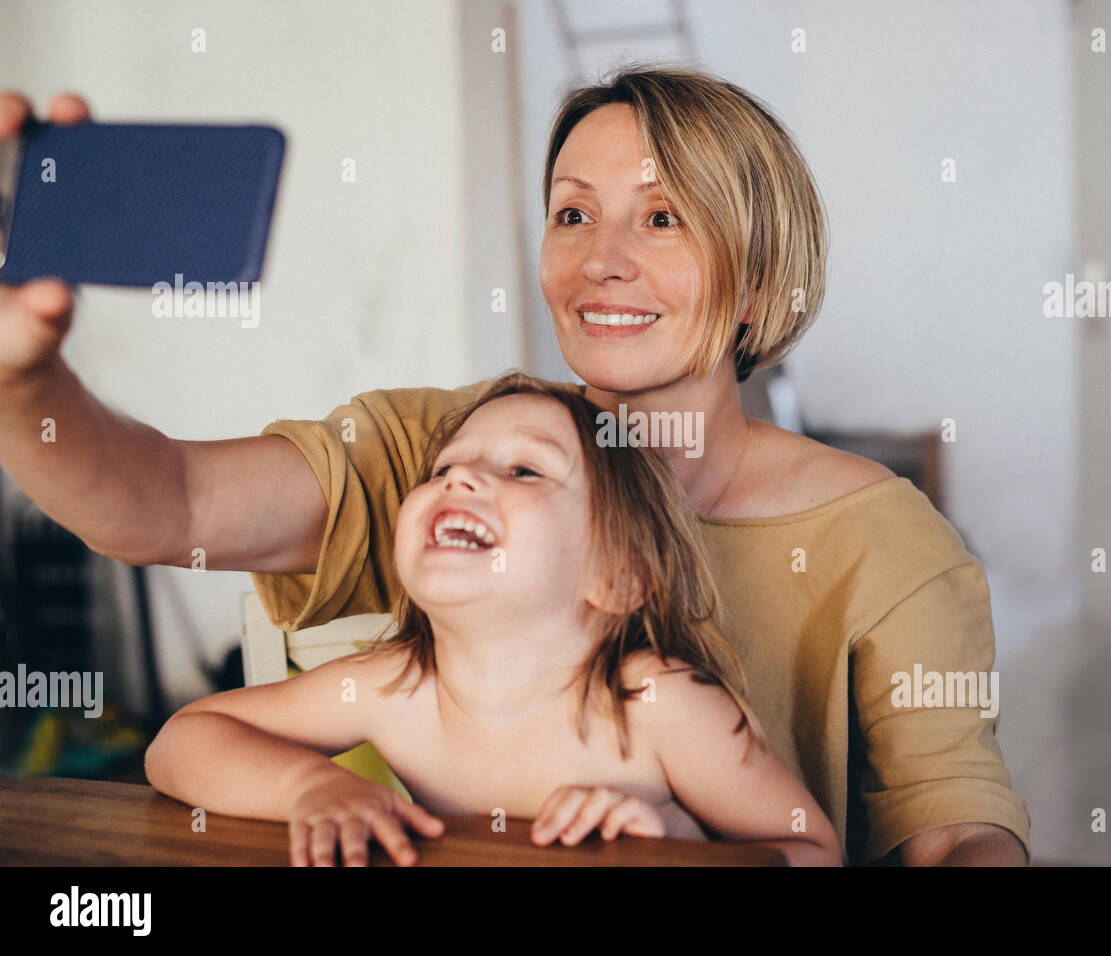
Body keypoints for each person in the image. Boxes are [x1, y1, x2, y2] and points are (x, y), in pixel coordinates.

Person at [0, 67, 1030, 865]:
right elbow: (164, 505)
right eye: (571, 212)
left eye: (661, 216)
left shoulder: (889, 539)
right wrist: (23, 381)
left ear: (758, 280)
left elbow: (950, 831)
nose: (598, 260)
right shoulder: (448, 449)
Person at [145, 374, 842, 866]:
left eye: (525, 471)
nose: (459, 479)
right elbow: (182, 741)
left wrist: (677, 841)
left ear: (618, 575)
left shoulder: (657, 704)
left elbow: (813, 850)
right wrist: (308, 786)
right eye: (445, 466)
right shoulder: (401, 685)